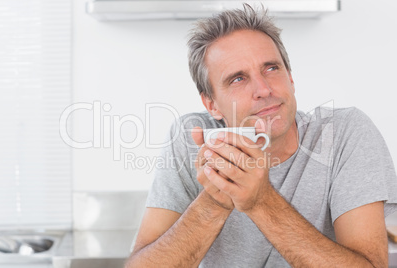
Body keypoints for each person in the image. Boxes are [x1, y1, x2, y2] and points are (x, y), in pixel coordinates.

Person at [126, 4, 397, 267]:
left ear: (290, 78)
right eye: (238, 79)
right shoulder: (189, 140)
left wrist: (261, 201)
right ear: (212, 104)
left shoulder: (344, 133)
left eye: (271, 68)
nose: (264, 89)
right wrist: (215, 200)